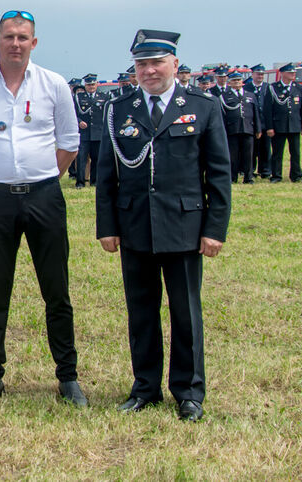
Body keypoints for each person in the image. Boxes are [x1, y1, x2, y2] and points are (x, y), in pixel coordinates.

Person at [95, 29, 231, 422]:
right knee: (141, 311)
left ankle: (188, 392)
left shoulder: (202, 107)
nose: (149, 71)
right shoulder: (119, 109)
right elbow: (107, 175)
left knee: (185, 312)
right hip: (135, 223)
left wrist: (214, 229)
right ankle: (145, 388)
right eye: (141, 64)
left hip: (185, 226)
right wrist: (107, 225)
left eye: (156, 62)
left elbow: (218, 174)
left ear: (175, 63)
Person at [0, 9, 86, 408]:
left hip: (44, 196)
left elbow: (68, 142)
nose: (16, 43)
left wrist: (40, 176)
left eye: (23, 37)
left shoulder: (55, 85)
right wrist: (4, 176)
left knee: (57, 290)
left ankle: (67, 376)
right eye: (9, 36)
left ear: (34, 43)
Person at [263, 63, 302, 183]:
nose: (293, 74)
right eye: (290, 72)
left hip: (294, 124)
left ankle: (296, 175)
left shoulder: (298, 87)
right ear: (282, 73)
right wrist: (270, 127)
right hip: (278, 125)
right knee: (277, 153)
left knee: (296, 153)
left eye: (294, 73)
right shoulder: (273, 88)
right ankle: (276, 176)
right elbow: (268, 109)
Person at [220, 70, 261, 183]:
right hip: (232, 130)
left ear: (242, 82)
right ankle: (233, 177)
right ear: (230, 83)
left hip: (248, 129)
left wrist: (258, 129)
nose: (237, 82)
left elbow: (256, 113)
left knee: (249, 155)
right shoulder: (224, 97)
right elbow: (222, 115)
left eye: (239, 80)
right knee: (233, 156)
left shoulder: (250, 95)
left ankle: (248, 177)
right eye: (234, 81)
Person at [75, 74, 107, 188]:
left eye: (93, 84)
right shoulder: (79, 97)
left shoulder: (103, 96)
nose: (91, 87)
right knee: (81, 159)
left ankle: (95, 181)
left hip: (98, 133)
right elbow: (73, 113)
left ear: (97, 84)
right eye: (88, 85)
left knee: (97, 159)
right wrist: (79, 121)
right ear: (85, 85)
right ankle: (80, 182)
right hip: (84, 134)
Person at [245, 64, 271, 178]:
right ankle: (251, 170)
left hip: (265, 122)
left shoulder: (268, 87)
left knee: (265, 148)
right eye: (258, 74)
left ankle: (265, 170)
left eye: (262, 74)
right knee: (252, 149)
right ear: (252, 75)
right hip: (252, 123)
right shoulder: (247, 88)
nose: (260, 76)